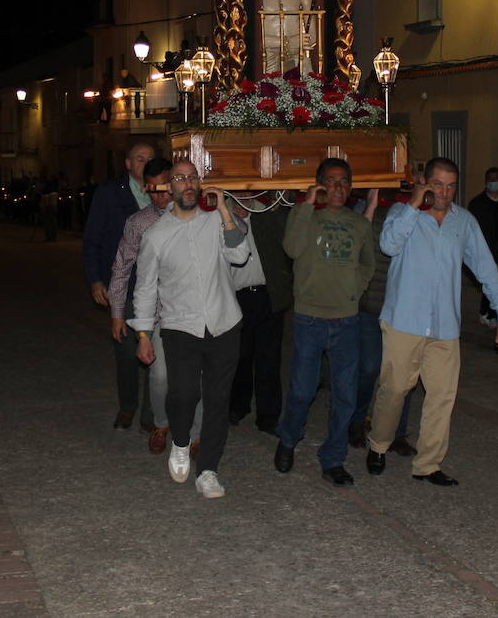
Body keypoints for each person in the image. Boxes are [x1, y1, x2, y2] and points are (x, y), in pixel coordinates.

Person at [366, 157, 498, 485]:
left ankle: (428, 464)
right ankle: (378, 444)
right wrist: (413, 205)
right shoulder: (403, 213)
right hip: (404, 320)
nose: (444, 192)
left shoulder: (465, 222)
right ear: (425, 183)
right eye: (438, 184)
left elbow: (485, 268)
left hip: (445, 325)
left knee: (442, 396)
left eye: (450, 186)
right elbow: (388, 245)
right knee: (394, 389)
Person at [131, 161, 246, 499]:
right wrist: (142, 334)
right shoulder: (156, 236)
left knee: (217, 401)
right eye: (180, 179)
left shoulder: (217, 220)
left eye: (193, 177)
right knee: (183, 394)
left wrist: (224, 209)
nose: (188, 183)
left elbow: (240, 255)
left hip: (224, 323)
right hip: (180, 326)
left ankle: (208, 470)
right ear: (169, 188)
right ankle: (180, 441)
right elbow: (145, 289)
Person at [276, 160, 375, 486]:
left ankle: (333, 458)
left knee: (345, 395)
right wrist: (307, 203)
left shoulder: (358, 223)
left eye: (344, 182)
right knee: (302, 390)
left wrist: (354, 290)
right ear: (320, 185)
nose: (338, 188)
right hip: (310, 320)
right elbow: (291, 249)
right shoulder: (305, 216)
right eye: (331, 181)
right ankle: (288, 438)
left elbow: (367, 263)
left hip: (346, 321)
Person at [107, 159, 198, 456]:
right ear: (146, 188)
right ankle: (161, 423)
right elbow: (122, 268)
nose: (161, 196)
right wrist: (117, 313)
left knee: (193, 375)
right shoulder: (139, 223)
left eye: (165, 188)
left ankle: (195, 433)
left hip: (189, 308)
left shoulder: (194, 216)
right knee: (159, 376)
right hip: (156, 312)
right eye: (154, 189)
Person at [82, 142, 157, 430]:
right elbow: (92, 239)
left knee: (157, 351)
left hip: (158, 285)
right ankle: (128, 405)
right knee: (126, 351)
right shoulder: (110, 193)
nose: (145, 163)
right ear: (127, 163)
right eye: (139, 159)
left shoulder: (162, 191)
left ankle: (151, 414)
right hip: (123, 284)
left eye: (150, 159)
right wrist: (95, 280)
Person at [349, 189, 414, 455]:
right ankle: (356, 421)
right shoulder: (365, 209)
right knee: (368, 369)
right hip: (370, 305)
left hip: (401, 309)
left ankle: (397, 431)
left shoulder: (412, 211)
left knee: (402, 375)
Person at [228, 197, 290, 435]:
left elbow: (287, 244)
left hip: (268, 294)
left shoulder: (267, 213)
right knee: (239, 356)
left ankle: (268, 415)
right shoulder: (221, 214)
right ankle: (237, 405)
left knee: (269, 358)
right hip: (236, 297)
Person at [467, 167, 498, 328]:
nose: (493, 182)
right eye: (490, 179)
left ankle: (488, 312)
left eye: (496, 179)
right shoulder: (476, 204)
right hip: (484, 249)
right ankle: (490, 313)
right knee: (491, 280)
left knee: (495, 280)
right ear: (485, 182)